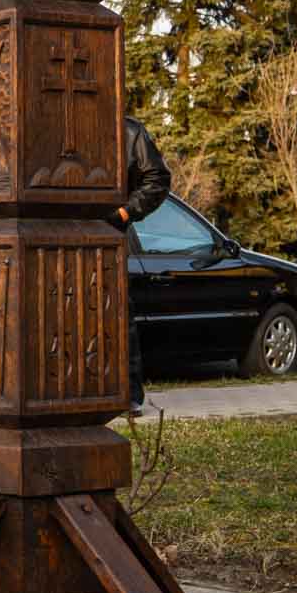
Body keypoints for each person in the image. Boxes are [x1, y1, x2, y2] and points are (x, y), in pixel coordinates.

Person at [109, 115, 172, 416]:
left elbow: (157, 178)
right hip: (61, 236)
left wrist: (123, 213)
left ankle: (129, 396)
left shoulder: (128, 131)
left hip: (112, 237)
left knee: (118, 313)